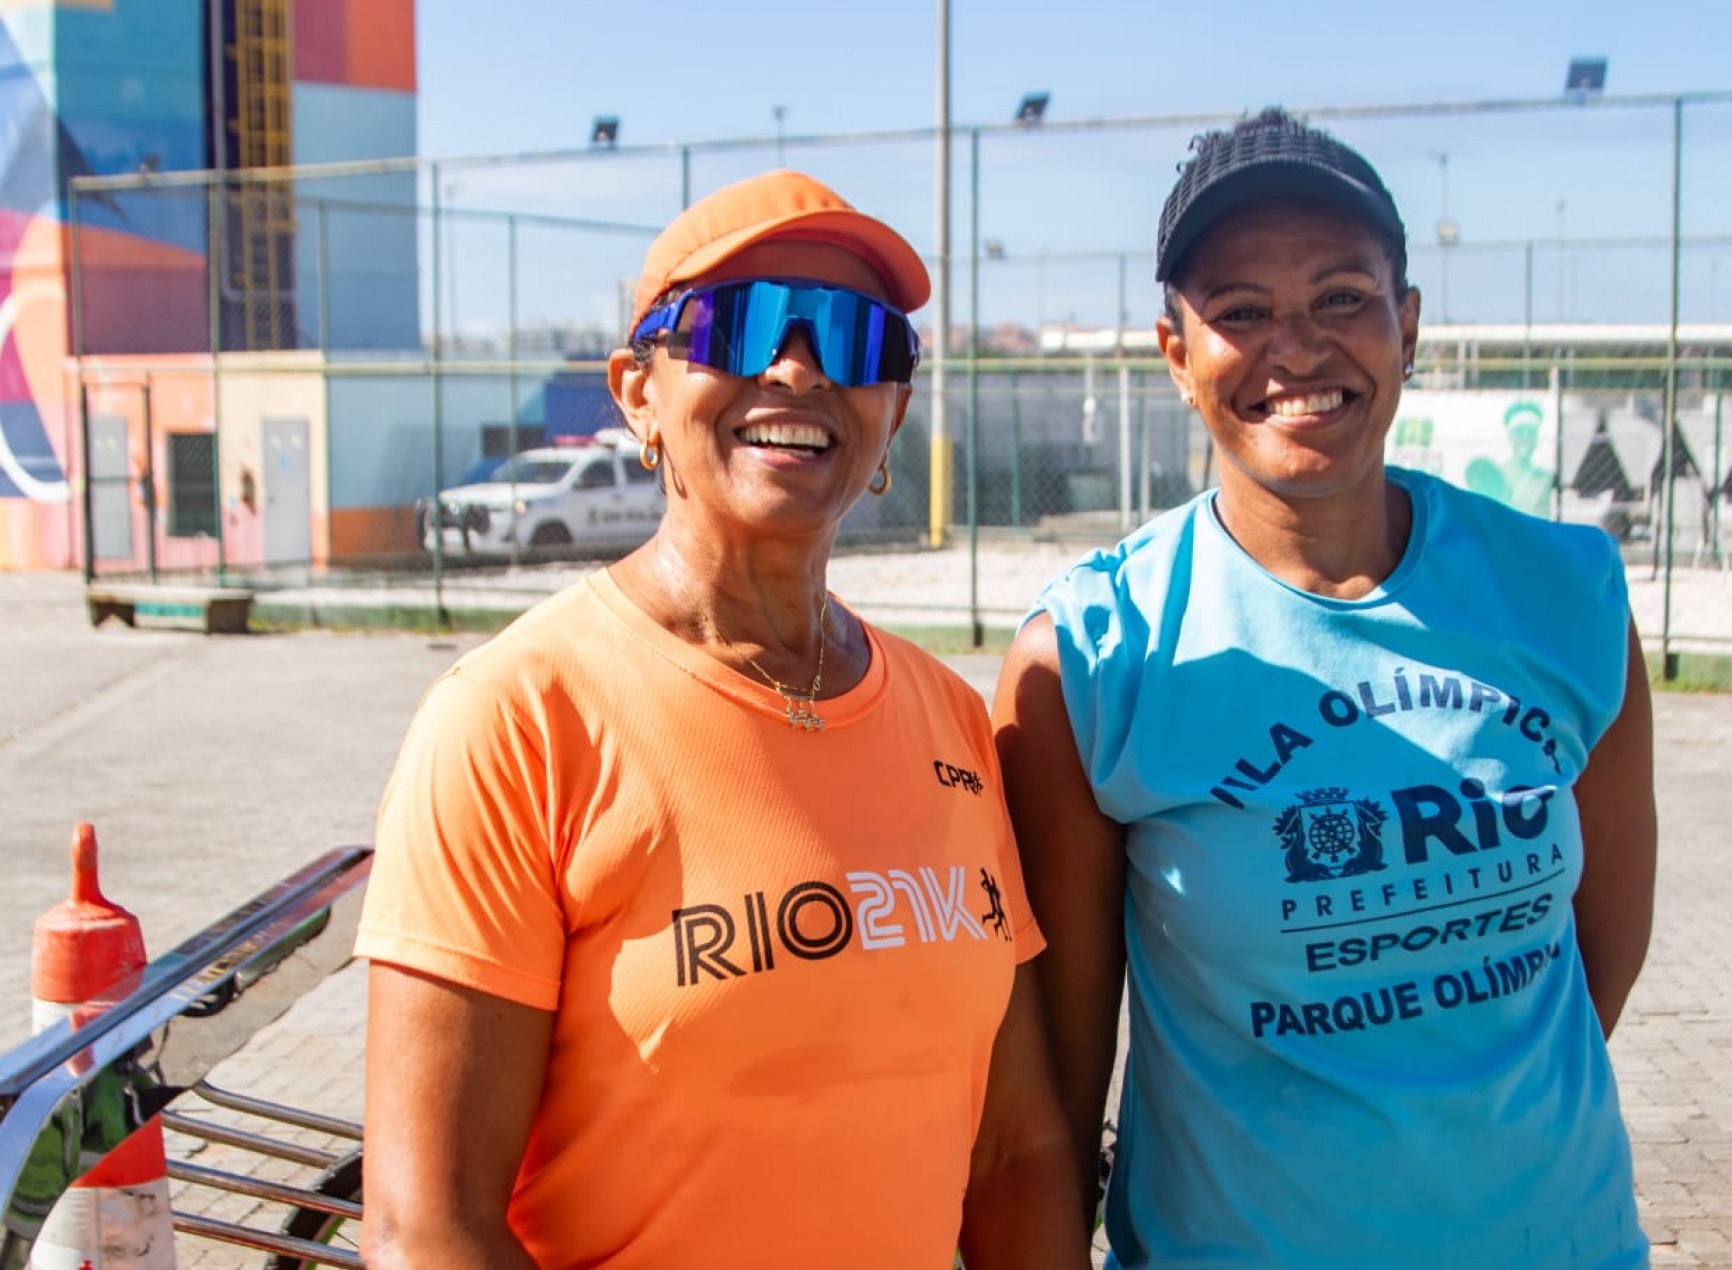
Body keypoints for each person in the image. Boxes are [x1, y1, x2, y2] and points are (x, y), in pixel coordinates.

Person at [355, 169, 1085, 1270]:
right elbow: (430, 1226)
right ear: (637, 392)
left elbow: (1015, 1150)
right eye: (734, 324)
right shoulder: (513, 721)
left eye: (850, 333)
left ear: (893, 409)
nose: (796, 365)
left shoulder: (948, 717)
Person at [993, 109, 1657, 1268]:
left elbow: (1597, 955)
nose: (1295, 348)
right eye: (1239, 311)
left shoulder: (1565, 593)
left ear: (1407, 324)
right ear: (1175, 352)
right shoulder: (1097, 656)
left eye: (1343, 296)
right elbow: (1058, 1087)